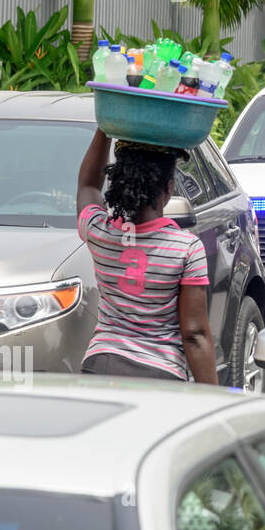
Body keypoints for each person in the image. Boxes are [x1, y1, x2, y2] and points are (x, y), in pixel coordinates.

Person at [75, 130, 217, 383]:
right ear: (168, 187)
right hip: (161, 373)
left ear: (118, 182)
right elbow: (194, 334)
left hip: (101, 366)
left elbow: (87, 185)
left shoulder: (99, 231)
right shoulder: (186, 249)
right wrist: (214, 400)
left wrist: (104, 129)